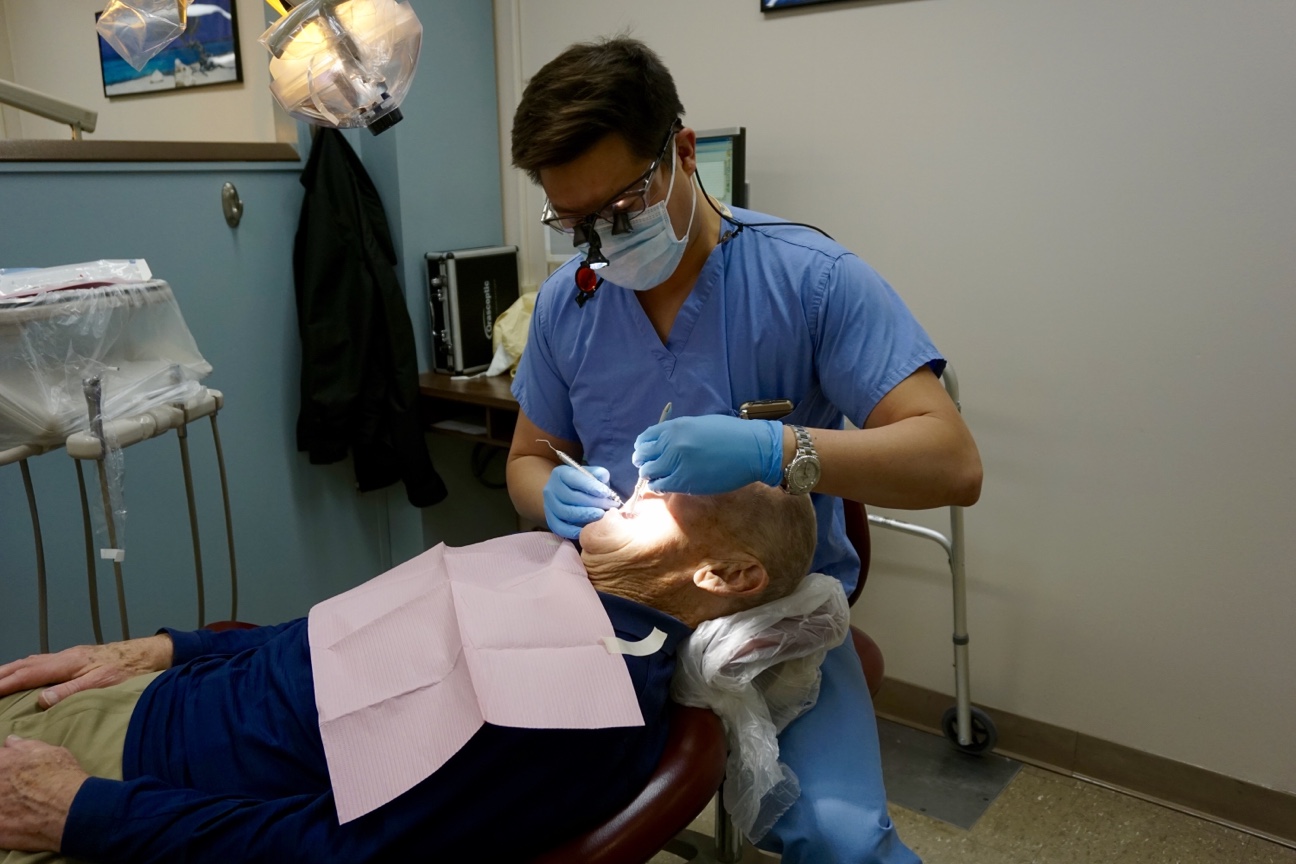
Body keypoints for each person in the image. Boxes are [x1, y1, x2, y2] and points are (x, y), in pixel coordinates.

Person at [505, 36, 983, 862]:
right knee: (489, 799)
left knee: (841, 840)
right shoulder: (566, 308)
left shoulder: (813, 280)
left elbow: (952, 462)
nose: (603, 243)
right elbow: (527, 458)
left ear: (683, 154)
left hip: (775, 619)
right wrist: (544, 493)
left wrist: (775, 448)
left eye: (621, 211)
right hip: (607, 610)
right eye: (577, 224)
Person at [0, 483, 815, 864]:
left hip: (126, 787)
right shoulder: (548, 566)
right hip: (147, 696)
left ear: (725, 576)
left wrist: (85, 813)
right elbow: (335, 641)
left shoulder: (578, 708)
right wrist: (171, 649)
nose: (639, 482)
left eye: (673, 492)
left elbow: (342, 854)